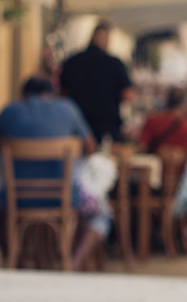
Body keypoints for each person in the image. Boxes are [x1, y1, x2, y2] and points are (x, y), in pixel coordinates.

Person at [0, 76, 114, 270]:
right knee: (102, 214)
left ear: (22, 95)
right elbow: (90, 146)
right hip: (65, 197)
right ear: (52, 94)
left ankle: (18, 264)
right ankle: (73, 265)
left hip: (14, 198)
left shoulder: (9, 112)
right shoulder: (67, 108)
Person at [59, 21, 135, 143]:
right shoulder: (114, 63)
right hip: (106, 126)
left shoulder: (72, 62)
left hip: (77, 125)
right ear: (106, 39)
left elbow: (62, 95)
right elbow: (128, 95)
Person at [138, 87, 187, 154]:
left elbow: (142, 146)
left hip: (158, 163)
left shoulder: (152, 121)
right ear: (184, 104)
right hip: (184, 165)